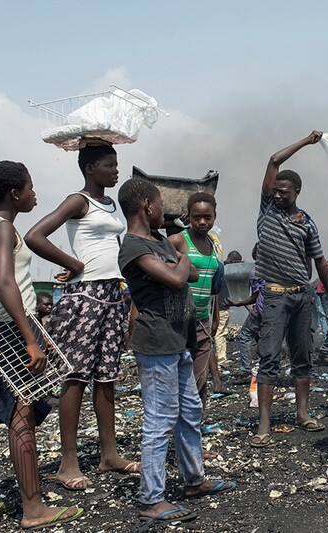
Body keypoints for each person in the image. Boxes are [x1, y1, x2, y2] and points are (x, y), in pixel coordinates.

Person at [0, 160, 83, 528]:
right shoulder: (5, 230)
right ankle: (34, 509)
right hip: (7, 329)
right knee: (21, 411)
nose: (34, 194)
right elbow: (5, 282)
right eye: (31, 188)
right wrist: (31, 339)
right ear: (15, 193)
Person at [117, 178, 235, 523]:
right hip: (156, 344)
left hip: (178, 341)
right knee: (159, 420)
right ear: (147, 207)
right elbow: (177, 277)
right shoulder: (134, 246)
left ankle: (193, 480)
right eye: (159, 204)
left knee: (189, 413)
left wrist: (179, 266)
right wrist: (180, 261)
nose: (164, 211)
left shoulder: (156, 241)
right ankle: (151, 499)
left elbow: (193, 272)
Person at [25, 144, 137, 491]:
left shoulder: (111, 204)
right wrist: (72, 265)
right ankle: (67, 461)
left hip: (112, 295)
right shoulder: (79, 201)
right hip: (85, 296)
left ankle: (109, 454)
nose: (116, 170)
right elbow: (34, 236)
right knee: (74, 378)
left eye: (117, 164)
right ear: (90, 168)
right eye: (109, 164)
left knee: (106, 377)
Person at [250, 130, 328, 448]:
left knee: (303, 357)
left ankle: (302, 414)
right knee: (269, 359)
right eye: (275, 190)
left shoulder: (307, 223)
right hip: (275, 295)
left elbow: (320, 262)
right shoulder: (267, 212)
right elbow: (274, 160)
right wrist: (306, 141)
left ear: (297, 191)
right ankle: (264, 425)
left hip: (302, 295)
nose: (277, 195)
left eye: (284, 192)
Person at [169, 193, 230, 407]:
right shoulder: (178, 240)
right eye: (197, 217)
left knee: (199, 379)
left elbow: (215, 285)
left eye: (208, 217)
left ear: (215, 216)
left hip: (203, 320)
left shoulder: (215, 245)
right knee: (179, 377)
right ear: (189, 216)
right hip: (179, 321)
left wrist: (214, 317)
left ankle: (193, 429)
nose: (203, 222)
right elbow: (154, 262)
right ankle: (179, 427)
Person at [225, 244, 265, 378]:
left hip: (260, 310)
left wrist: (239, 303)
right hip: (277, 310)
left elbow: (256, 296)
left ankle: (246, 370)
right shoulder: (277, 269)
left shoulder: (256, 271)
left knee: (245, 336)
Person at [213, 250, 243, 368]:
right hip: (222, 307)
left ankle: (219, 357)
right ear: (235, 261)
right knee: (220, 332)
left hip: (218, 306)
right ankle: (221, 359)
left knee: (220, 332)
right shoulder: (228, 271)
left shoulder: (220, 267)